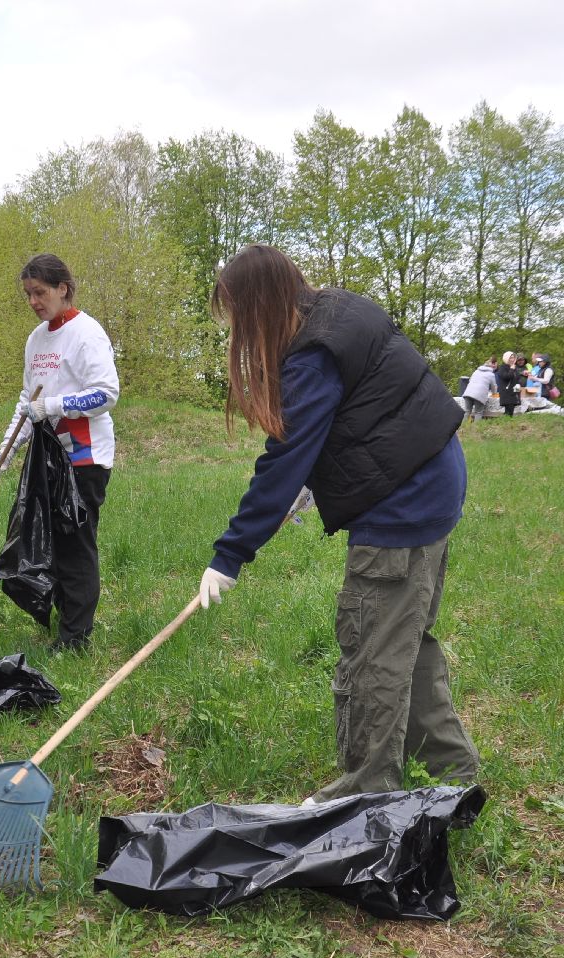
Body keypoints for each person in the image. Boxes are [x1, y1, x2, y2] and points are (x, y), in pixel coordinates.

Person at [198, 244, 479, 800]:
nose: (238, 332)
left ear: (258, 306)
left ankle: (364, 797)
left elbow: (284, 456)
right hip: (433, 480)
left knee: (372, 654)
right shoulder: (342, 309)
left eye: (237, 318)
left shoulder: (311, 353)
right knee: (405, 638)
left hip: (403, 504)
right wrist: (314, 482)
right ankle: (453, 772)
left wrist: (229, 555)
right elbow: (364, 410)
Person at [0, 254, 120, 653]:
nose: (33, 301)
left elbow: (106, 394)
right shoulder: (35, 340)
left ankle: (76, 638)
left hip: (83, 457)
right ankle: (67, 622)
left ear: (63, 288)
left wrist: (55, 406)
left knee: (76, 546)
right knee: (53, 544)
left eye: (40, 292)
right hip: (47, 461)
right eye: (28, 294)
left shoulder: (87, 333)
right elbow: (28, 403)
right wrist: (6, 451)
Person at [461, 357, 498, 421]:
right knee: (478, 413)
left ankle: (463, 428)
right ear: (492, 367)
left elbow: (470, 380)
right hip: (479, 395)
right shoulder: (491, 374)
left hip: (468, 393)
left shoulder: (476, 371)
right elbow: (494, 387)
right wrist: (494, 393)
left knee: (467, 412)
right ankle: (475, 429)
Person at [496, 351, 525, 416]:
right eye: (510, 358)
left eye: (513, 358)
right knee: (508, 413)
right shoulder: (502, 368)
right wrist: (511, 369)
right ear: (506, 358)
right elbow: (506, 377)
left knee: (510, 412)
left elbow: (516, 381)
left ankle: (507, 424)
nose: (512, 359)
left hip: (514, 394)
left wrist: (517, 393)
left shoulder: (514, 367)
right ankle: (505, 424)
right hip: (507, 393)